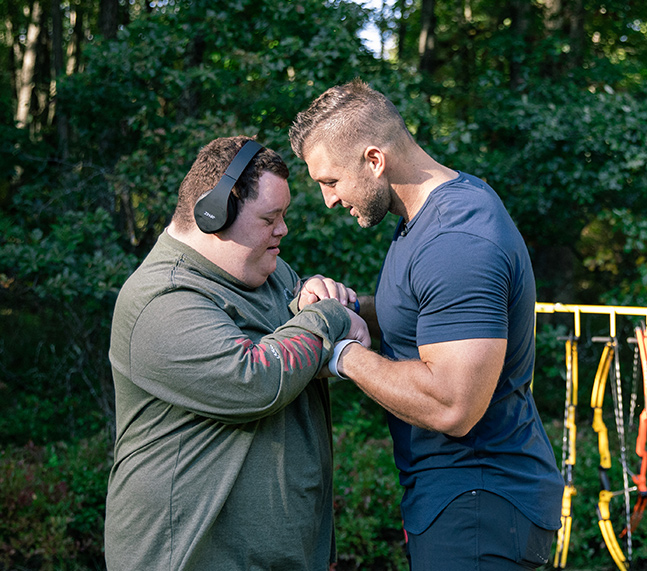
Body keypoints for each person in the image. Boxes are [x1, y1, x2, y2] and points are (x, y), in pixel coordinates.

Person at [289, 80, 564, 570]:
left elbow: (452, 403)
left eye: (330, 182)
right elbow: (421, 312)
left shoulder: (456, 239)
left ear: (374, 160)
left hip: (480, 502)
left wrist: (341, 355)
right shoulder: (426, 219)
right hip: (458, 499)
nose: (328, 200)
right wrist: (342, 305)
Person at [104, 135, 370, 571]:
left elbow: (306, 354)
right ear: (214, 214)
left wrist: (315, 298)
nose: (283, 230)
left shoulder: (272, 273)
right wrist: (327, 317)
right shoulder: (163, 299)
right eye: (270, 218)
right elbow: (256, 380)